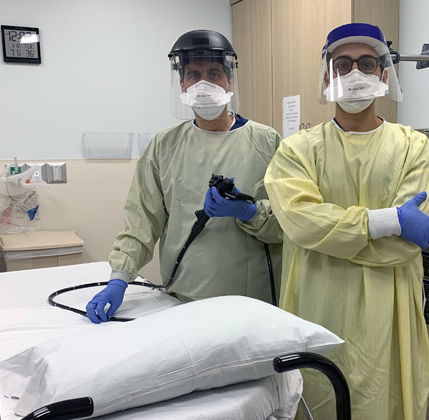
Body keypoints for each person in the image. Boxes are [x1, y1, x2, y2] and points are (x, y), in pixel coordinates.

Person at [264, 23, 429, 419]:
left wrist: (334, 235)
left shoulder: (413, 146)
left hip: (388, 314)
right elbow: (299, 222)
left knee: (385, 399)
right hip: (316, 306)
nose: (354, 74)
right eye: (342, 64)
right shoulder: (296, 150)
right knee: (318, 399)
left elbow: (408, 243)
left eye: (366, 63)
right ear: (327, 77)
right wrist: (389, 220)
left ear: (383, 73)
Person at [86, 30, 282, 323]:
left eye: (214, 73)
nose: (203, 84)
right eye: (194, 75)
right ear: (182, 84)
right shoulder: (165, 146)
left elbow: (286, 223)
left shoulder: (267, 141)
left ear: (230, 81)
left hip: (254, 300)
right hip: (183, 298)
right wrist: (119, 278)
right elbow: (141, 220)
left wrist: (250, 211)